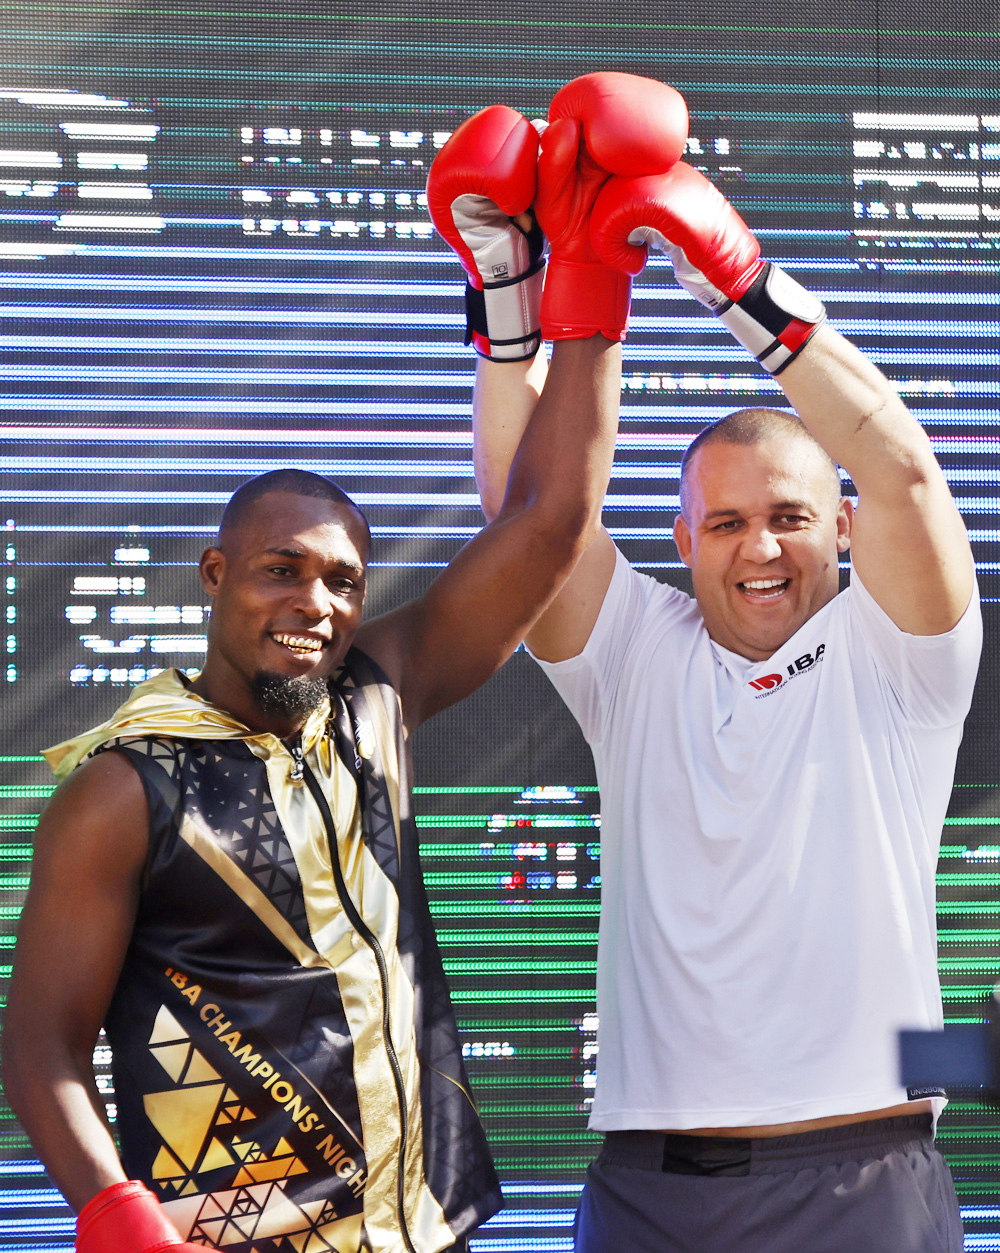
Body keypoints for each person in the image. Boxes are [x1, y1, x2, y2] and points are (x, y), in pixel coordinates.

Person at [0, 106, 627, 1253]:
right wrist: (108, 1205)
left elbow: (550, 526)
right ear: (214, 573)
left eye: (342, 579)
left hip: (426, 1234)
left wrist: (572, 291)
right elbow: (40, 1040)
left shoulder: (372, 697)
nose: (317, 602)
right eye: (281, 570)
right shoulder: (125, 789)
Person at [462, 79, 981, 1253]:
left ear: (839, 528)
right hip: (650, 1187)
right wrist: (512, 300)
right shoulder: (638, 656)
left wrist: (736, 282)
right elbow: (523, 518)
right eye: (729, 521)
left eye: (790, 516)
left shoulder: (898, 655)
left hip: (859, 1176)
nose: (761, 546)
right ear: (682, 537)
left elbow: (899, 467)